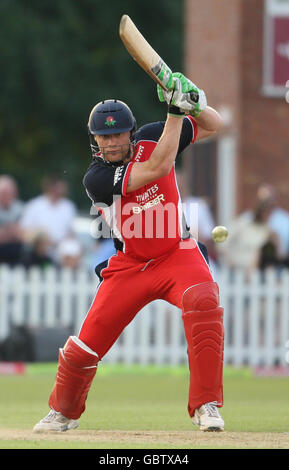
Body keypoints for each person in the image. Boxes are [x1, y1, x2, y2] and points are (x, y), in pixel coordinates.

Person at [33, 72, 225, 433]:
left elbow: (214, 125)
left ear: (131, 132)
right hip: (131, 265)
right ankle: (64, 412)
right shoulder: (96, 178)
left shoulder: (154, 135)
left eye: (118, 133)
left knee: (203, 300)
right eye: (103, 136)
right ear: (94, 140)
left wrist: (192, 101)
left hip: (176, 253)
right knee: (83, 348)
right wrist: (174, 111)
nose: (112, 142)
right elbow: (159, 167)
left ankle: (206, 405)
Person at [20, 175, 77, 257]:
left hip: (60, 248)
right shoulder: (35, 205)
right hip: (37, 247)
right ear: (51, 187)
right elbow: (24, 230)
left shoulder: (68, 206)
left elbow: (70, 232)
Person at [0, 175, 24, 266]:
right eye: (3, 193)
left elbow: (24, 234)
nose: (6, 196)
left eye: (8, 193)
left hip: (18, 251)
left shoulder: (21, 208)